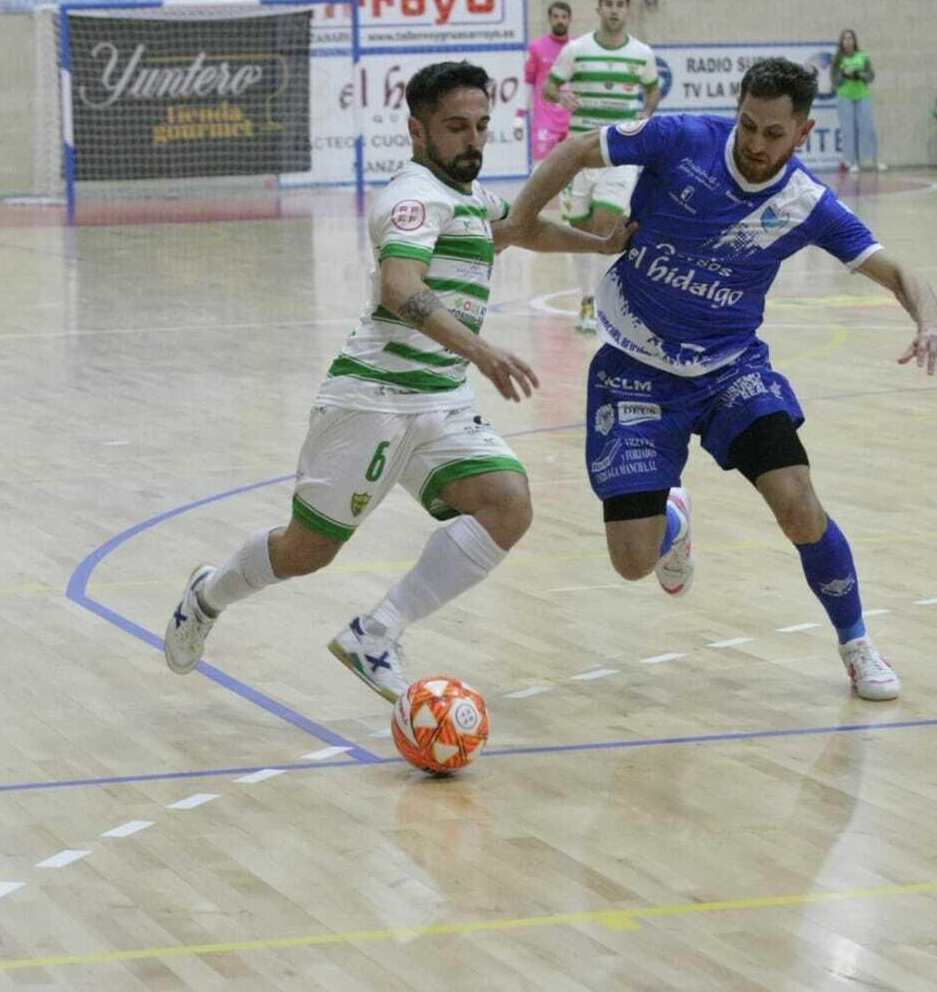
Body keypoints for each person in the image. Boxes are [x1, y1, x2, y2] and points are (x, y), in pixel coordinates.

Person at [163, 61, 632, 701]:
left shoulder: (466, 195)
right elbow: (399, 286)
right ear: (418, 131)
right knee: (306, 553)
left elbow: (520, 228)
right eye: (456, 127)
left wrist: (597, 245)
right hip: (372, 399)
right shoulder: (412, 199)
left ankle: (376, 632)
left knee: (508, 503)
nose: (473, 140)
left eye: (481, 126)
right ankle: (208, 594)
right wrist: (484, 351)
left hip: (439, 401)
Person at [507, 58, 937, 701]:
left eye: (774, 134)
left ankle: (857, 644)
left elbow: (895, 271)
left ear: (802, 134)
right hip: (633, 366)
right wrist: (523, 220)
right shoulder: (682, 139)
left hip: (728, 371)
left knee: (798, 503)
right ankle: (672, 522)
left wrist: (931, 322)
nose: (755, 143)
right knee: (631, 562)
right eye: (748, 124)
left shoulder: (804, 203)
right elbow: (579, 148)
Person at [543, 0, 661, 334]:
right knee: (578, 232)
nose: (614, 10)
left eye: (620, 5)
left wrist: (646, 111)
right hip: (578, 153)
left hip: (620, 153)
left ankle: (615, 301)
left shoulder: (642, 53)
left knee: (607, 224)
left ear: (627, 10)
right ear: (599, 9)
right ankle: (587, 299)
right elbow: (550, 86)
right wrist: (562, 97)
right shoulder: (577, 49)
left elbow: (653, 88)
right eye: (607, 4)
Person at [515, 1, 574, 167]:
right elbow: (528, 82)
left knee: (572, 176)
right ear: (550, 19)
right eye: (555, 16)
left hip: (572, 121)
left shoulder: (577, 47)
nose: (560, 21)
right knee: (541, 171)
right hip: (545, 121)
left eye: (563, 17)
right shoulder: (536, 48)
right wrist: (520, 115)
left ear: (569, 20)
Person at [831, 29, 884, 174]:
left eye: (850, 38)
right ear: (841, 42)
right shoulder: (838, 60)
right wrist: (844, 74)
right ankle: (852, 161)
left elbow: (871, 76)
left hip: (862, 95)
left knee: (868, 128)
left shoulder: (863, 57)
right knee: (849, 130)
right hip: (845, 96)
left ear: (854, 41)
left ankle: (874, 159)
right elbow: (835, 81)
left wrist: (859, 74)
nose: (848, 41)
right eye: (845, 39)